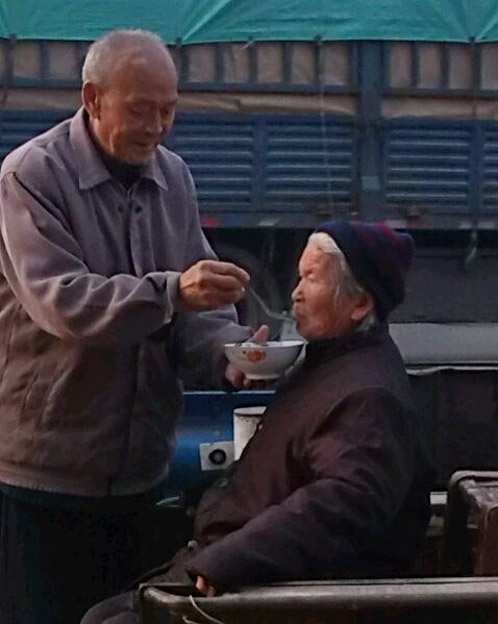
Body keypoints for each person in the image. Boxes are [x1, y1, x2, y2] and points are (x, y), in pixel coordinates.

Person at [0, 29, 264, 624]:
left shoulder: (174, 178)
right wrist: (171, 291)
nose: (157, 127)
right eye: (141, 110)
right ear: (92, 98)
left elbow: (199, 311)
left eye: (169, 110)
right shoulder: (30, 176)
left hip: (142, 476)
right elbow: (62, 302)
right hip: (45, 476)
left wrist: (231, 353)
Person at [82, 218, 435, 624]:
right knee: (100, 615)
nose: (295, 293)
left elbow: (344, 504)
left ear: (360, 304)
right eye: (298, 277)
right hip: (233, 561)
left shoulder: (369, 396)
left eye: (311, 279)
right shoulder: (330, 362)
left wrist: (233, 558)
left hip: (269, 590)